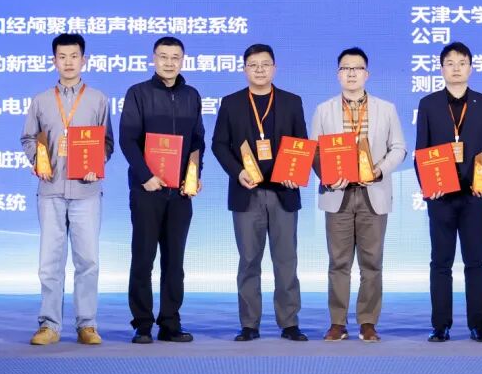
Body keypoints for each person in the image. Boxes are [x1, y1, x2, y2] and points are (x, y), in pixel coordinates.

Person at [21, 33, 114, 346]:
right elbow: (28, 138)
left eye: (74, 56)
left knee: (88, 261)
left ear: (83, 60)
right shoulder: (41, 100)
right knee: (50, 263)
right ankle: (49, 325)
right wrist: (38, 160)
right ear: (54, 61)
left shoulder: (98, 99)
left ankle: (87, 324)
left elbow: (107, 143)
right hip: (50, 190)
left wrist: (97, 162)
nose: (69, 62)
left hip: (86, 191)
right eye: (62, 57)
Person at [212, 44, 309, 342]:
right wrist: (237, 171)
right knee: (249, 261)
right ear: (244, 69)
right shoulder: (231, 103)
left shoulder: (292, 102)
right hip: (247, 193)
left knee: (286, 260)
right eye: (253, 65)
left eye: (265, 64)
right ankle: (249, 324)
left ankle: (289, 323)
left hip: (283, 193)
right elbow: (219, 144)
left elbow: (301, 143)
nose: (259, 70)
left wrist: (295, 173)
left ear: (274, 68)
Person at [310, 47, 407, 342]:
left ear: (367, 74)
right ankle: (337, 323)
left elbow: (399, 148)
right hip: (337, 194)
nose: (351, 73)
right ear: (338, 74)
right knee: (338, 262)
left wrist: (379, 170)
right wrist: (328, 175)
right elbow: (314, 151)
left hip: (372, 192)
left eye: (357, 68)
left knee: (372, 262)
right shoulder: (324, 109)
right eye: (345, 68)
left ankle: (368, 322)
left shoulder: (386, 109)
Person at [119, 36, 205, 344]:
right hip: (147, 190)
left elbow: (197, 141)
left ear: (182, 60)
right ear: (153, 59)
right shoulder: (138, 93)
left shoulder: (192, 96)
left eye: (175, 57)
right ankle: (142, 324)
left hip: (180, 192)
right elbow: (128, 139)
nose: (169, 62)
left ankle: (170, 322)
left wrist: (194, 176)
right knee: (143, 258)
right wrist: (146, 176)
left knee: (175, 262)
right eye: (163, 57)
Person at [415, 42, 482, 343]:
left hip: (474, 196)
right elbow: (421, 150)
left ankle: (478, 325)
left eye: (461, 63)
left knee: (476, 262)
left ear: (470, 68)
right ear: (441, 69)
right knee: (441, 262)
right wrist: (429, 185)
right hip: (441, 196)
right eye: (450, 63)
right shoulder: (428, 104)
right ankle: (441, 325)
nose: (456, 68)